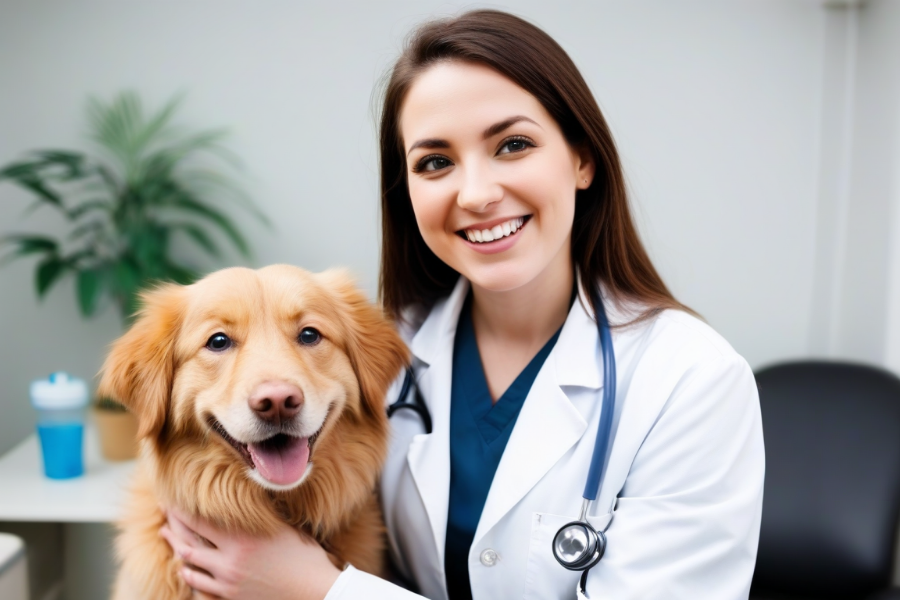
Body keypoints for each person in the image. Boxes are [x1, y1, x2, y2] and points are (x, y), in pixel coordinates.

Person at [160, 9, 765, 600]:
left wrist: (321, 591)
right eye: (435, 162)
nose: (476, 193)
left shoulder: (691, 380)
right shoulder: (381, 353)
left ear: (582, 159)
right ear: (408, 192)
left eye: (513, 145)